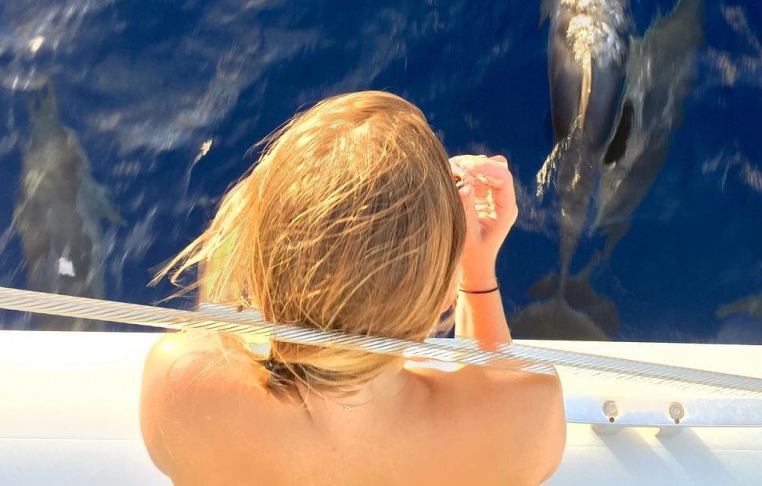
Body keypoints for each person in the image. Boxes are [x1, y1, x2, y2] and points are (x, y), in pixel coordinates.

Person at [140, 91, 565, 485]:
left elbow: (215, 329)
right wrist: (476, 272)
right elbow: (495, 387)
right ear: (440, 300)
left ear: (262, 263)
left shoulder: (180, 390)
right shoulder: (530, 417)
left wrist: (250, 216)